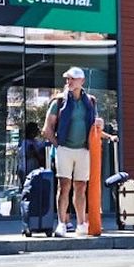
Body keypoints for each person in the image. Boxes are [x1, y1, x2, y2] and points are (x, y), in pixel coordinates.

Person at [41, 66, 101, 237]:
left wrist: (102, 130)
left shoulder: (90, 101)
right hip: (64, 149)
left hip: (84, 149)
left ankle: (81, 223)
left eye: (73, 79)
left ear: (82, 81)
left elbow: (94, 126)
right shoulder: (58, 102)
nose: (69, 81)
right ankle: (62, 223)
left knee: (81, 187)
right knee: (64, 186)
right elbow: (47, 128)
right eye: (68, 79)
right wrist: (58, 145)